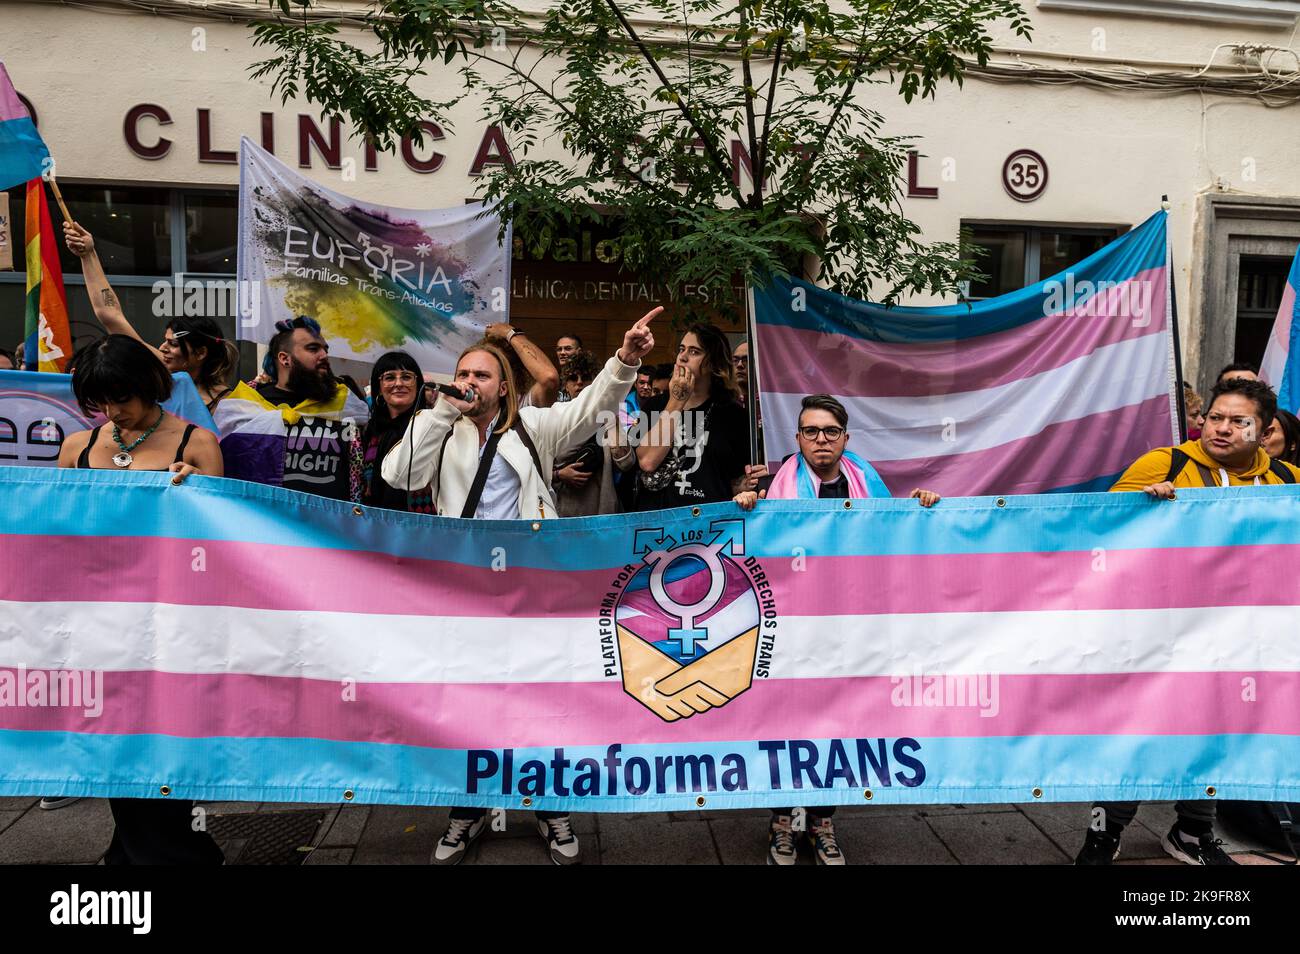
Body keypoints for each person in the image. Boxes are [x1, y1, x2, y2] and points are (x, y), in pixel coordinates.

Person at [381, 306, 659, 864]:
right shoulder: (438, 428)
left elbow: (590, 409)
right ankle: (469, 810)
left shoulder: (533, 427)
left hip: (532, 589)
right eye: (462, 375)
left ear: (503, 387)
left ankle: (549, 806)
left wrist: (625, 359)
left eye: (481, 375)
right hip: (465, 592)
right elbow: (399, 476)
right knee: (468, 701)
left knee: (538, 697)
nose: (468, 383)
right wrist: (439, 413)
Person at [1076, 377, 1300, 866]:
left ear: (1262, 432)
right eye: (1214, 417)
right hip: (1160, 631)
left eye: (1237, 421)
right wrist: (1140, 509)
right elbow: (1098, 530)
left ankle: (1193, 831)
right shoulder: (1165, 464)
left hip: (1241, 637)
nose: (1220, 429)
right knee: (1141, 727)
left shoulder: (1286, 482)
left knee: (1219, 728)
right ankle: (1105, 829)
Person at [734, 393, 940, 866]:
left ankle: (822, 821)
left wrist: (921, 506)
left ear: (846, 437)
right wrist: (746, 503)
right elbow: (748, 545)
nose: (821, 440)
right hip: (791, 628)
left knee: (839, 724)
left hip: (850, 628)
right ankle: (783, 821)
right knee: (786, 725)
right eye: (811, 431)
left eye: (830, 431)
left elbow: (895, 537)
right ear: (798, 439)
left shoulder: (868, 484)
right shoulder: (772, 489)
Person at [56, 335, 224, 864]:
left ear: (150, 387)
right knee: (116, 746)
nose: (113, 413)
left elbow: (217, 547)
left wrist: (196, 496)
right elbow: (55, 537)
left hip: (170, 628)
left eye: (122, 399)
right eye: (101, 402)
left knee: (163, 748)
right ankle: (150, 853)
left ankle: (146, 854)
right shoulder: (76, 449)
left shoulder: (196, 445)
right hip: (100, 628)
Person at [64, 222, 237, 411]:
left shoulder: (227, 402)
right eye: (165, 341)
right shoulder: (162, 372)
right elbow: (109, 314)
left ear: (201, 353)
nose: (162, 348)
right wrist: (88, 255)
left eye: (173, 344)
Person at [215, 316, 370, 501]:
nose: (324, 355)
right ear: (284, 358)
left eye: (325, 349)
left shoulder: (345, 404)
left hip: (328, 524)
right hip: (264, 522)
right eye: (313, 349)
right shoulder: (244, 407)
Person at [631, 323, 764, 511]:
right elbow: (647, 462)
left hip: (708, 525)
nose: (682, 357)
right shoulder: (656, 405)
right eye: (681, 349)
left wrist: (746, 486)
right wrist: (676, 401)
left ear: (713, 363)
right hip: (657, 521)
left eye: (694, 352)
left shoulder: (733, 415)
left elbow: (734, 480)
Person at [551, 350, 634, 516]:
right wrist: (560, 475)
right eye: (573, 378)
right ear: (565, 385)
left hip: (601, 512)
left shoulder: (608, 415)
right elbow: (535, 469)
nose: (579, 383)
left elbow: (626, 463)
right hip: (563, 511)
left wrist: (611, 414)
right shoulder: (554, 414)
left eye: (586, 377)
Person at [361, 351, 429, 511]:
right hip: (372, 523)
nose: (399, 384)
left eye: (406, 377)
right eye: (390, 377)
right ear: (378, 387)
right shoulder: (370, 430)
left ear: (417, 384)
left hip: (417, 525)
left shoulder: (429, 425)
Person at [485, 322, 560, 408]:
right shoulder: (472, 396)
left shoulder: (524, 403)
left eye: (501, 363)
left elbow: (549, 378)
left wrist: (510, 333)